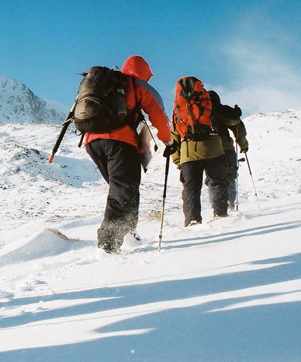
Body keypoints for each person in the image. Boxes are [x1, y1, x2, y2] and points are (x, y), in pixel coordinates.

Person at [83, 55, 173, 254]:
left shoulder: (106, 85)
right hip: (120, 141)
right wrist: (168, 140)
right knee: (123, 189)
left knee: (125, 189)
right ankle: (108, 243)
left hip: (92, 142)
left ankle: (128, 233)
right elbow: (158, 114)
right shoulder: (135, 84)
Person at [170, 80, 228, 226]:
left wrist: (178, 160)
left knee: (191, 187)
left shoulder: (178, 107)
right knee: (217, 182)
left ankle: (192, 219)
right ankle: (221, 213)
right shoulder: (207, 102)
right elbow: (228, 119)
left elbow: (173, 136)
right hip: (213, 149)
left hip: (189, 153)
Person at [207, 90, 249, 210]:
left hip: (209, 151)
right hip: (227, 148)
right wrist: (243, 145)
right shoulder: (223, 111)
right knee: (229, 176)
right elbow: (238, 128)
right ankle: (231, 204)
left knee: (213, 179)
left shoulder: (200, 113)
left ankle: (215, 205)